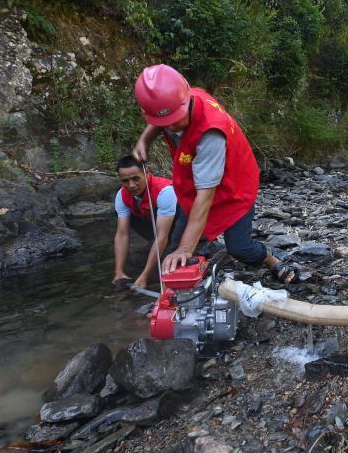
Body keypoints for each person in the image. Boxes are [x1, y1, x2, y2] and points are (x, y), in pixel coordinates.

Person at [131, 64, 300, 283]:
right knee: (174, 249)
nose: (171, 127)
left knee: (238, 248)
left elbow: (205, 197)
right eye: (165, 122)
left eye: (176, 120)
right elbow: (161, 118)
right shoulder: (180, 97)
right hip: (195, 183)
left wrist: (185, 248)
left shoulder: (211, 133)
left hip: (234, 187)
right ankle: (179, 299)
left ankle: (272, 260)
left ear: (186, 101)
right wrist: (144, 140)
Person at [112, 155, 186, 288]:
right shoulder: (121, 195)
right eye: (125, 181)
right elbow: (122, 234)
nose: (131, 185)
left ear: (146, 172)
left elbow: (161, 236)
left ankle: (177, 246)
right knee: (120, 216)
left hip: (179, 225)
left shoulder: (165, 191)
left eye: (135, 179)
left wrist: (144, 275)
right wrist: (119, 272)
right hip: (156, 224)